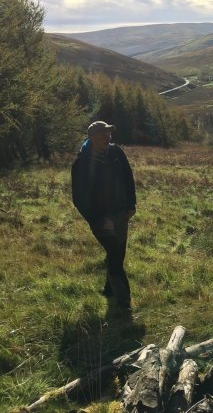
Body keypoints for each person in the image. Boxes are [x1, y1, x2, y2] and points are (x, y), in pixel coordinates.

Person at [71, 121, 136, 310]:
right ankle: (124, 302)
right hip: (101, 219)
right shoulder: (81, 164)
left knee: (118, 254)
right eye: (103, 134)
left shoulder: (117, 153)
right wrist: (99, 220)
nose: (108, 137)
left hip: (121, 213)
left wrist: (131, 204)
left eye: (109, 133)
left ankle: (109, 289)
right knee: (115, 255)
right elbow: (80, 199)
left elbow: (128, 177)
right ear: (92, 137)